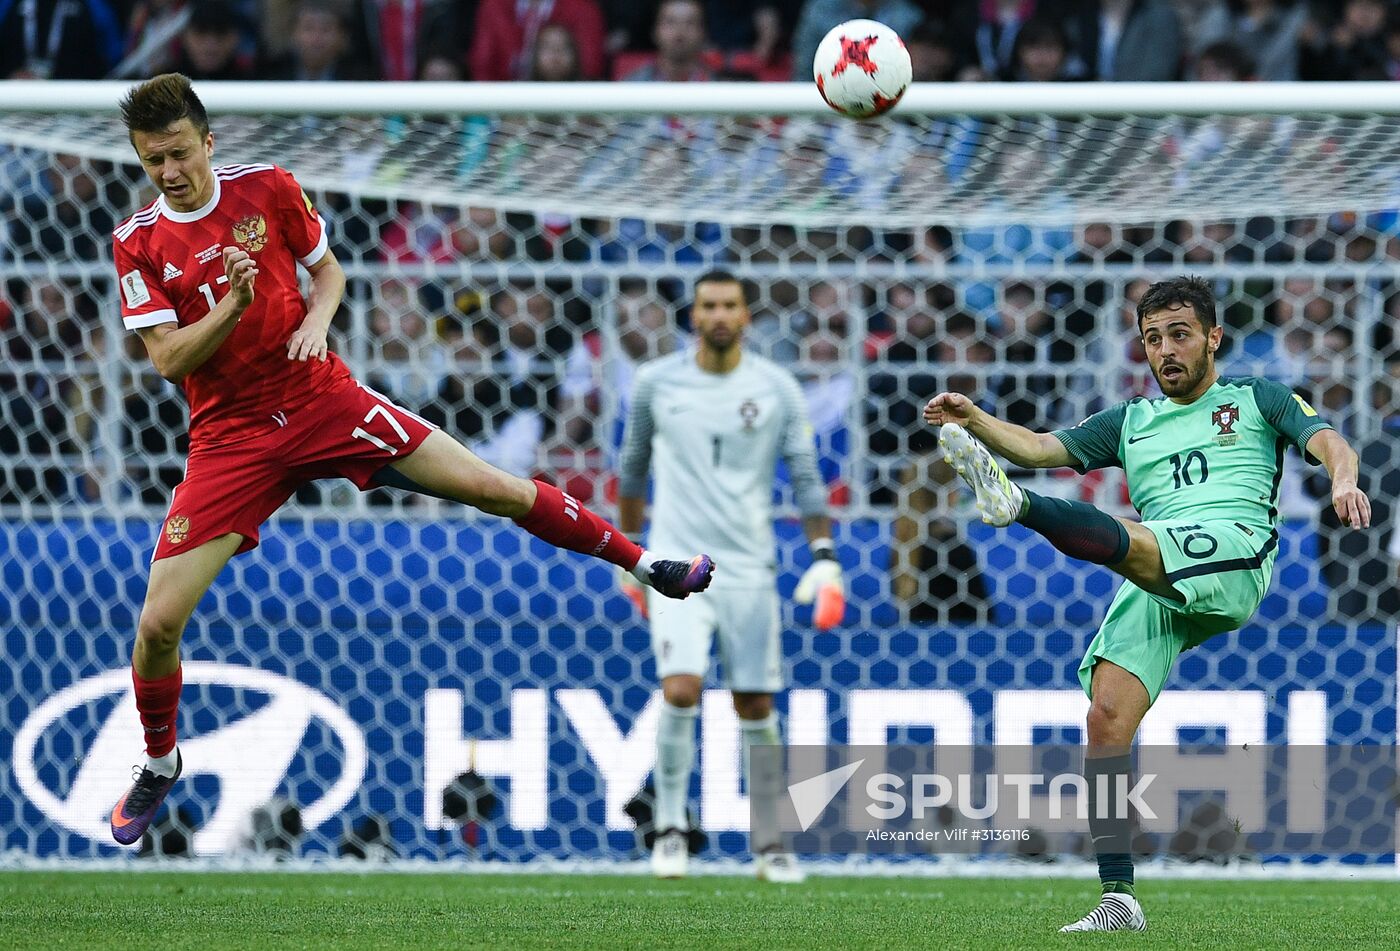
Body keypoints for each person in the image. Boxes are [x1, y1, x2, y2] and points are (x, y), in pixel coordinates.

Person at [106, 73, 716, 846]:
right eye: (152, 159)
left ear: (208, 142)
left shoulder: (268, 189)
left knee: (492, 487)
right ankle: (161, 760)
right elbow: (165, 360)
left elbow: (329, 271)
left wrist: (318, 321)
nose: (169, 172)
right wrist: (230, 307)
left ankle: (645, 564)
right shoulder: (137, 242)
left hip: (323, 398)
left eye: (180, 153)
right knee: (158, 622)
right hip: (232, 437)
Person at [923, 276, 1370, 932]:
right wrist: (977, 421)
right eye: (1153, 338)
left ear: (1213, 338)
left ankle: (1018, 507)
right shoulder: (1132, 420)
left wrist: (1343, 481)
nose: (1166, 350)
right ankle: (1118, 900)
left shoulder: (1253, 398)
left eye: (1180, 335)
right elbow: (1046, 447)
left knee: (1132, 539)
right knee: (1105, 717)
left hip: (1232, 552)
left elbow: (1330, 439)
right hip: (1157, 561)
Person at [616, 271, 843, 884]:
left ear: (747, 316)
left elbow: (805, 477)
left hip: (750, 566)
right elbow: (632, 472)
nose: (719, 315)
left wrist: (823, 554)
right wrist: (630, 560)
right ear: (694, 315)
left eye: (730, 305)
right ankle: (667, 831)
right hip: (675, 565)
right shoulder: (655, 383)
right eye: (708, 305)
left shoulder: (776, 388)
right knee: (682, 688)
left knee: (755, 701)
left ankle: (771, 843)